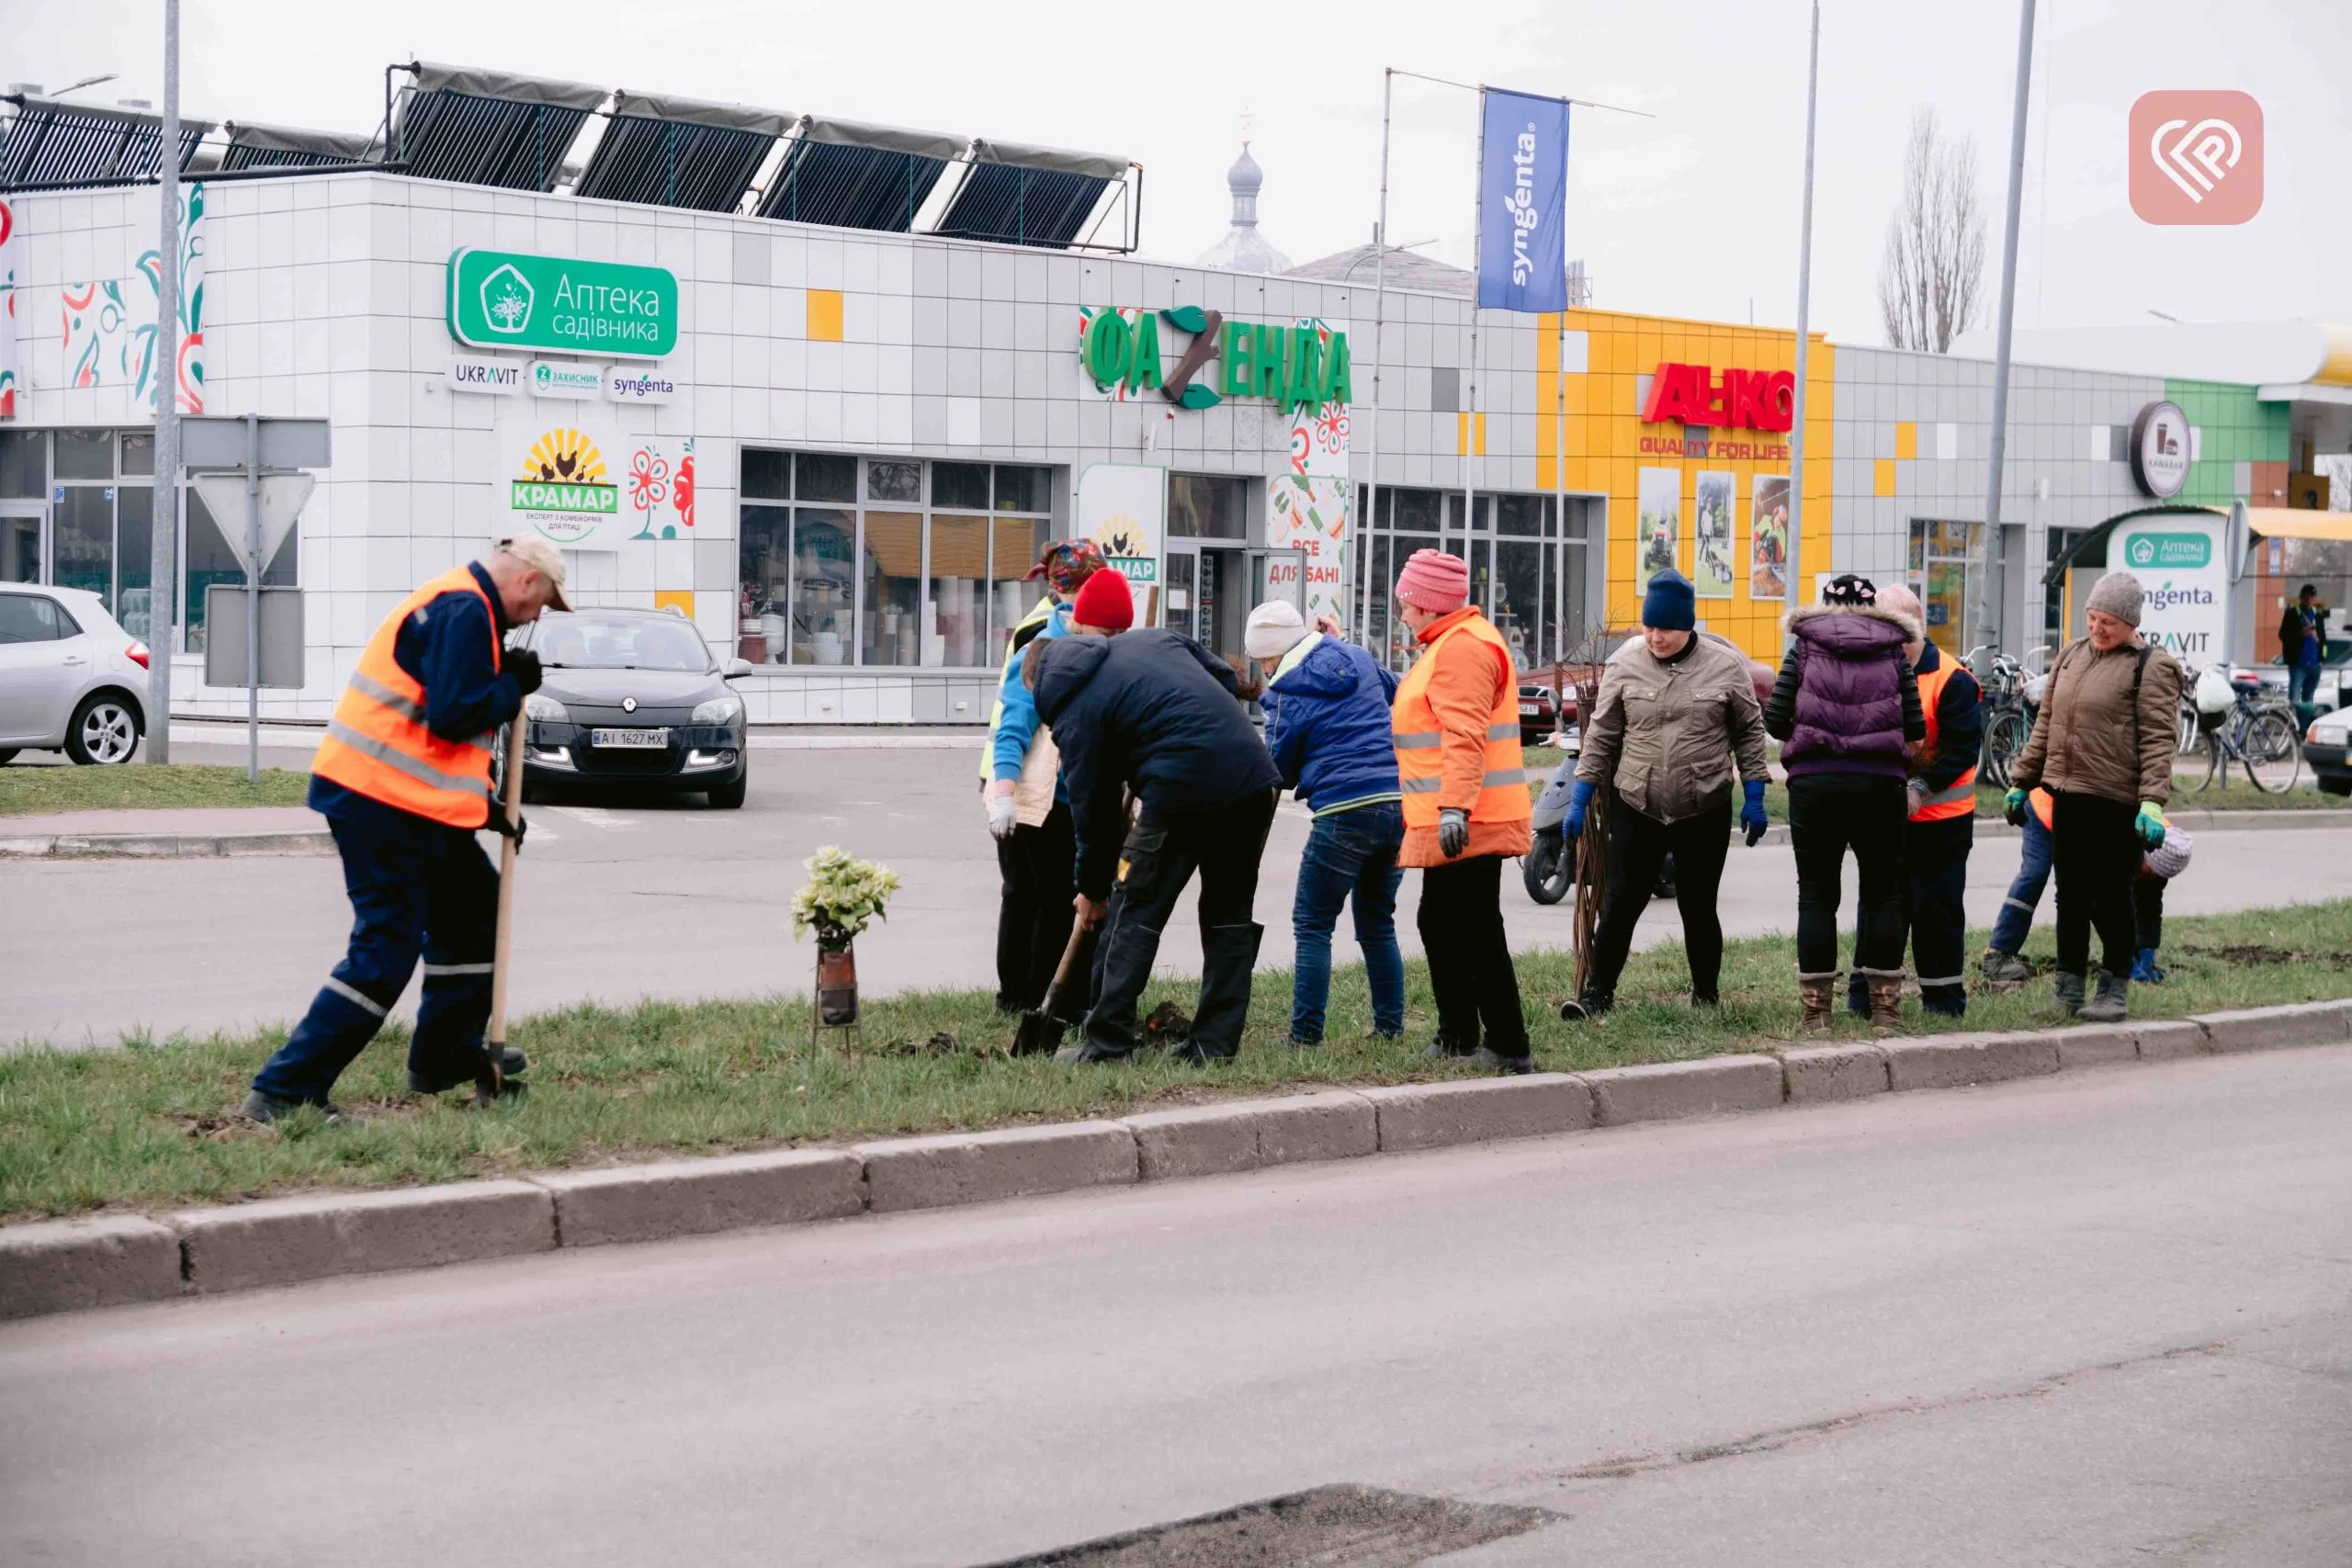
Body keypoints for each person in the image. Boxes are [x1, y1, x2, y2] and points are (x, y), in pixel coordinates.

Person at [243, 539, 566, 1123]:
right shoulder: (465, 610)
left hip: (408, 802)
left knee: (474, 912)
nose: (539, 614)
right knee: (386, 947)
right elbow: (453, 714)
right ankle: (285, 1089)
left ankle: (442, 1056)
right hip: (378, 801)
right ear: (526, 581)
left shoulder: (466, 607)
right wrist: (511, 686)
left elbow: (433, 734)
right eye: (544, 601)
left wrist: (485, 807)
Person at [1031, 570, 1282, 1065]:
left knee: (1135, 908)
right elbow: (1227, 679)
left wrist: (1093, 889)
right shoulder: (1158, 640)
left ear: (1041, 688)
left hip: (1181, 789)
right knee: (1227, 916)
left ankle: (1106, 1045)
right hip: (1253, 779)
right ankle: (1213, 1047)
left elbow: (1093, 814)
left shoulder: (1072, 710)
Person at [1559, 569, 1770, 1020]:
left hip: (1704, 804)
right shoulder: (1625, 664)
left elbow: (1750, 732)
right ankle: (1598, 994)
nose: (1655, 637)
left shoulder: (1724, 666)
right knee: (1620, 903)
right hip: (1637, 803)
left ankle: (1706, 995)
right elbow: (1601, 736)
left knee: (1698, 907)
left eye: (1666, 629)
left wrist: (1754, 793)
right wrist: (1580, 797)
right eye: (1649, 627)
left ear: (1688, 625)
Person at [2005, 570, 2184, 1022]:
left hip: (2117, 800)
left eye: (2108, 621)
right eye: (2092, 616)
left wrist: (2152, 801)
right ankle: (2068, 990)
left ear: (2130, 623)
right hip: (2067, 793)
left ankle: (2115, 989)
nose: (2098, 627)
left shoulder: (2151, 665)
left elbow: (2159, 739)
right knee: (2071, 895)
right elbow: (2046, 726)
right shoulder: (2072, 656)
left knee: (2110, 895)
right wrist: (2022, 780)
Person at [1387, 548, 1533, 1074]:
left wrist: (1454, 808)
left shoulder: (1463, 649)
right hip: (1460, 814)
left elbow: (1465, 735)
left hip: (1469, 817)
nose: (1402, 611)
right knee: (1444, 921)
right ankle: (1461, 1034)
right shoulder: (1451, 643)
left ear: (1427, 604)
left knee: (1471, 926)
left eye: (1406, 601)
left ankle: (1506, 1045)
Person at [1763, 574, 1926, 1033]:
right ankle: (1885, 1013)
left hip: (1815, 787)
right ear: (1874, 609)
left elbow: (1775, 720)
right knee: (1883, 895)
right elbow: (1914, 728)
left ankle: (1817, 1015)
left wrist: (1812, 735)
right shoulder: (1895, 651)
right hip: (1880, 787)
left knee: (1816, 894)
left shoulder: (1804, 648)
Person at [1247, 599, 1406, 1048]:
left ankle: (1305, 1036)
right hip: (1397, 805)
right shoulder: (1355, 656)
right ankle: (1390, 1029)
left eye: (1264, 661)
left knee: (1313, 923)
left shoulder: (1284, 694)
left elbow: (1278, 770)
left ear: (1272, 654)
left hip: (1342, 812)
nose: (1264, 670)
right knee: (1378, 923)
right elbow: (1398, 690)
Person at [979, 539, 1107, 1030]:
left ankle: (1027, 996)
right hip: (1028, 783)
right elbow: (1016, 718)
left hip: (1026, 780)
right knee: (1039, 896)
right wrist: (1006, 792)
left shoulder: (1056, 619)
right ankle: (1026, 996)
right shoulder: (1045, 632)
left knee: (1033, 895)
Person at [1843, 585, 1981, 1020]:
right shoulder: (1873, 672)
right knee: (1878, 908)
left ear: (1911, 628)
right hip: (1888, 817)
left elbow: (1961, 751)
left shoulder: (1953, 679)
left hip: (1942, 821)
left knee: (1936, 912)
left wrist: (1919, 787)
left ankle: (1943, 1002)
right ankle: (1865, 998)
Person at [1982, 786, 2193, 985]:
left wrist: (2147, 952)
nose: (2152, 877)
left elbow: (2150, 901)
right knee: (2035, 873)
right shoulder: (2121, 837)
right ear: (2145, 851)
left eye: (2158, 876)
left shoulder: (2164, 844)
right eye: (2150, 871)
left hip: (2082, 809)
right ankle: (1998, 953)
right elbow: (2097, 898)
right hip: (2045, 805)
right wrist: (2125, 958)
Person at [2279, 582, 2330, 709]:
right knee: (2294, 699)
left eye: (2312, 597)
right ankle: (2292, 726)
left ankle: (2304, 726)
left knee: (2308, 700)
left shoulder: (2318, 615)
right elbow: (2283, 635)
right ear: (2301, 597)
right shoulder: (2292, 613)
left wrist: (2322, 660)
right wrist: (2299, 634)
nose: (2309, 600)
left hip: (2314, 665)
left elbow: (2323, 639)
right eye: (2306, 597)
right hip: (2298, 665)